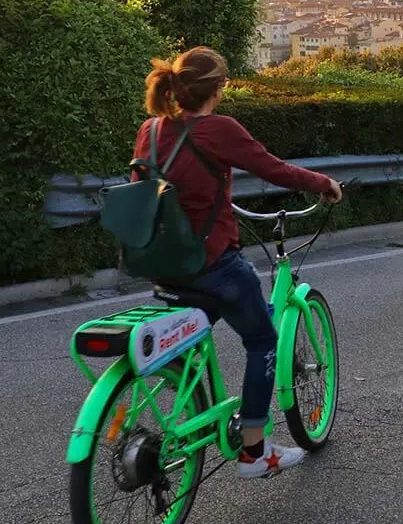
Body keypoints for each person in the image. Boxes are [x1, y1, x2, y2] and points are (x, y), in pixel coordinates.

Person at [133, 46, 342, 479]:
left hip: (162, 265)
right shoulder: (219, 129)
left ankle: (192, 415)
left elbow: (147, 189)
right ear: (218, 90)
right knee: (262, 340)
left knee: (188, 346)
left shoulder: (151, 131)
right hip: (214, 267)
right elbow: (275, 169)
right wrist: (324, 184)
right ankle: (253, 451)